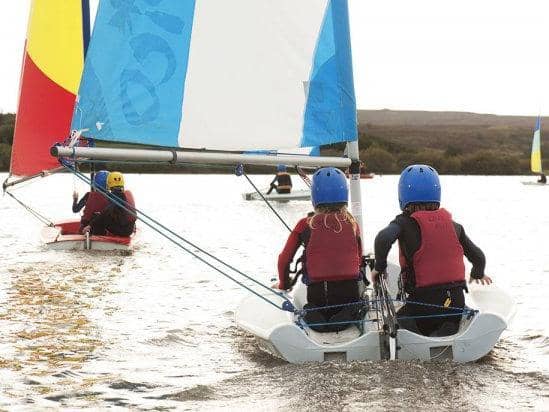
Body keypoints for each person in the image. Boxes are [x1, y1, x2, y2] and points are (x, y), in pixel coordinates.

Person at [371, 164, 492, 337]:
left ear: (402, 195)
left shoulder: (403, 223)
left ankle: (424, 333)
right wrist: (478, 272)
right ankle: (446, 329)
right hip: (455, 303)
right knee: (447, 317)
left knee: (396, 320)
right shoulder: (454, 226)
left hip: (422, 305)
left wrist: (379, 267)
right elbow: (478, 257)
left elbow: (382, 239)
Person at [275, 167, 363, 332]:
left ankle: (315, 314)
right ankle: (345, 314)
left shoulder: (305, 224)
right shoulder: (353, 225)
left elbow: (284, 259)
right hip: (348, 295)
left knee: (314, 309)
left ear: (314, 196)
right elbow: (359, 260)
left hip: (318, 298)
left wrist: (283, 284)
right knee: (351, 306)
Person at [82, 171, 136, 237]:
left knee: (97, 216)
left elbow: (106, 211)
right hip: (130, 228)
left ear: (109, 183)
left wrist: (90, 225)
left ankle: (98, 238)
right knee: (103, 216)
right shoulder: (128, 193)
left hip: (123, 231)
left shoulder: (113, 196)